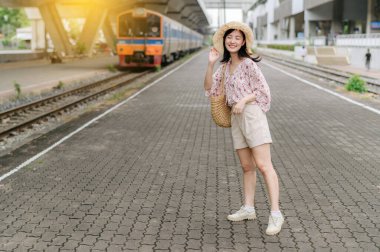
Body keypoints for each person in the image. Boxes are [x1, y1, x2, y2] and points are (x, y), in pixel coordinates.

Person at [203, 21, 284, 236]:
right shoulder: (224, 67)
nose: (232, 41)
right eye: (230, 37)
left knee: (264, 165)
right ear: (224, 40)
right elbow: (209, 89)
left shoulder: (249, 64)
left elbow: (262, 90)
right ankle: (248, 208)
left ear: (243, 41)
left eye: (237, 38)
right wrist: (210, 64)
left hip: (252, 115)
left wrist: (243, 100)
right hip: (237, 119)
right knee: (247, 166)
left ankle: (276, 214)